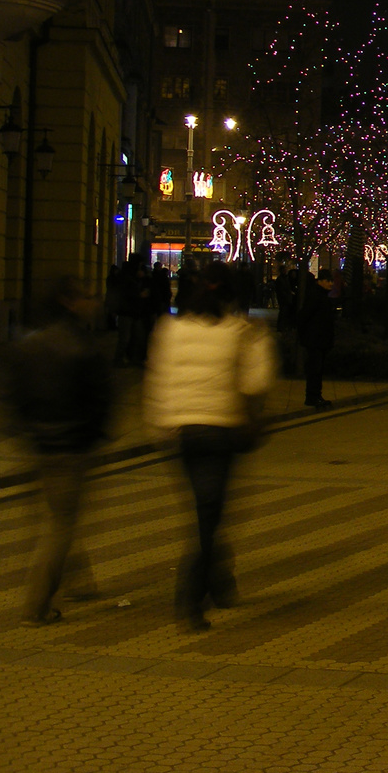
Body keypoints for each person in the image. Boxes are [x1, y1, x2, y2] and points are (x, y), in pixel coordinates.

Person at [144, 262, 276, 632]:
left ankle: (220, 584)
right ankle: (189, 601)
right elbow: (256, 382)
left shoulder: (170, 329)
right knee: (209, 518)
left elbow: (159, 379)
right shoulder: (241, 331)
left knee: (205, 509)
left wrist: (160, 423)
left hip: (183, 432)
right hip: (220, 431)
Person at [1, 277, 113, 627]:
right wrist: (93, 435)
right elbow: (101, 398)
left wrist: (27, 431)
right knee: (62, 524)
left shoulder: (27, 344)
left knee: (58, 516)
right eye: (84, 295)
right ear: (68, 302)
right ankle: (36, 606)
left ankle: (81, 582)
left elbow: (10, 395)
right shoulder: (81, 345)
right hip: (71, 446)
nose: (91, 301)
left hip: (39, 444)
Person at [296, 268, 337, 410]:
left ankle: (315, 396)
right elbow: (305, 316)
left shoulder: (320, 295)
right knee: (315, 369)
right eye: (328, 281)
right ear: (320, 281)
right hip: (316, 339)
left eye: (331, 281)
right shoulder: (316, 296)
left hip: (319, 339)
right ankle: (313, 396)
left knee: (317, 369)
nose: (331, 284)